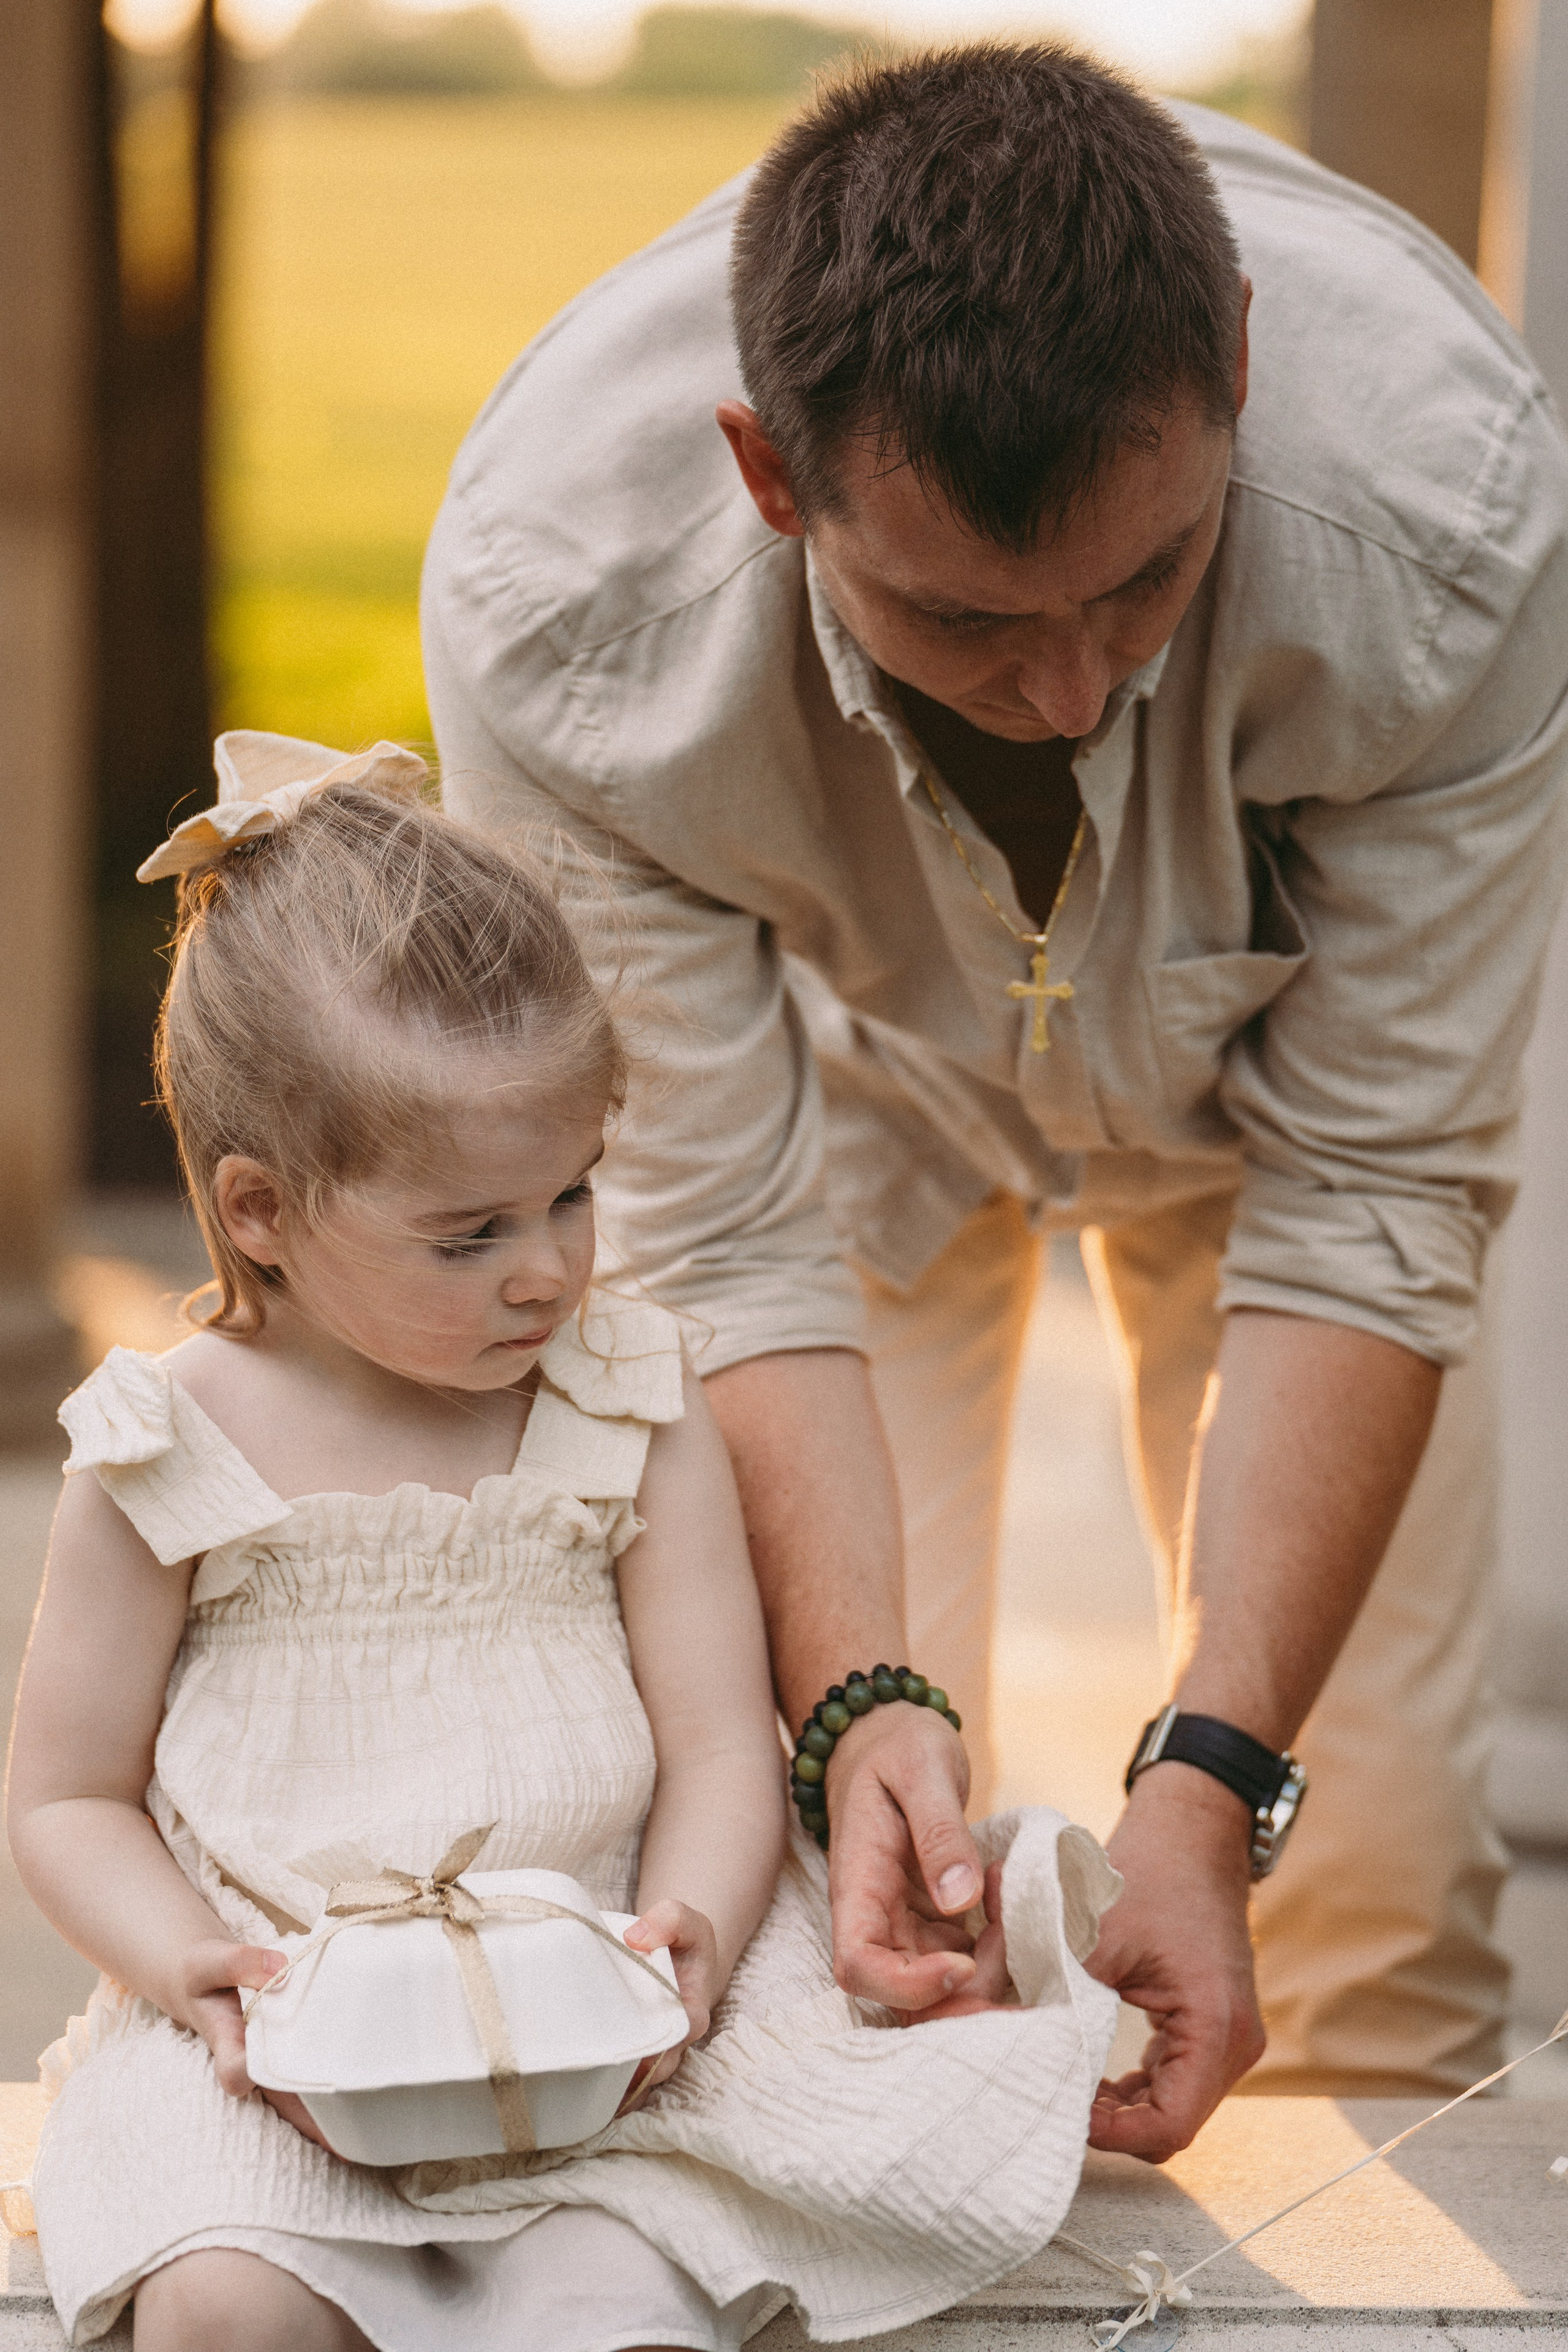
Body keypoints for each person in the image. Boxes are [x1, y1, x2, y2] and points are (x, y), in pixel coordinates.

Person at [420, 41, 1568, 2157]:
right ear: (774, 480)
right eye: (964, 616)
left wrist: (1211, 1774)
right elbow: (722, 1232)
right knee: (841, 1902)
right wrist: (860, 1698)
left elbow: (1378, 1188)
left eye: (1151, 582)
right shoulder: (558, 605)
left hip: (1276, 1102)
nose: (1072, 688)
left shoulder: (1453, 516)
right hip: (839, 1106)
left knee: (1375, 1895)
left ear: (1236, 365)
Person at [6, 731, 1121, 2352]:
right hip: (281, 2045)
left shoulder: (627, 1408)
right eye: (469, 1234)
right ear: (259, 1212)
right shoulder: (166, 1454)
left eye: (574, 1196)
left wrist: (691, 1937)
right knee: (227, 2312)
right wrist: (205, 1974)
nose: (545, 1274)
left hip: (603, 2033)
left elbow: (721, 1746)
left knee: (615, 2304)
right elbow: (63, 1796)